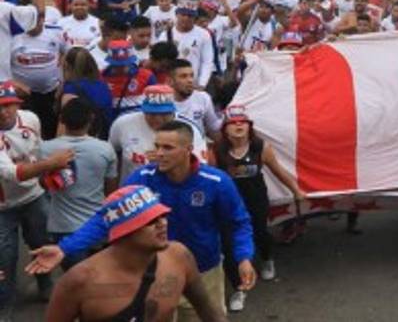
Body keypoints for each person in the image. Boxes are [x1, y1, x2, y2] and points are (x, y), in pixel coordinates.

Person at [29, 120, 256, 321]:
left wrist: (244, 257)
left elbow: (238, 222)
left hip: (204, 270)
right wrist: (64, 248)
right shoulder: (142, 179)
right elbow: (107, 219)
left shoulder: (216, 182)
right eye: (157, 146)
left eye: (167, 147)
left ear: (188, 150)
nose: (159, 153)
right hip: (157, 273)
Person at [42, 185, 228, 321]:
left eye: (162, 216)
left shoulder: (179, 256)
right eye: (150, 221)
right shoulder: (81, 280)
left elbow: (209, 313)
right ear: (124, 232)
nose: (162, 223)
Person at [215, 105, 305, 312]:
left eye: (243, 122)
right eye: (233, 123)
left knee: (260, 233)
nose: (238, 125)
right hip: (229, 203)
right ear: (225, 129)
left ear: (249, 126)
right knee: (228, 245)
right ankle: (238, 288)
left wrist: (295, 190)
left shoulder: (261, 148)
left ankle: (266, 259)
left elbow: (278, 171)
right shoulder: (217, 151)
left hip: (256, 199)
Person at [0, 81, 75, 316]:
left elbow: (38, 150)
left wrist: (48, 174)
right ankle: (5, 303)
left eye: (8, 106)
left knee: (42, 243)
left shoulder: (31, 119)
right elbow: (14, 174)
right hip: (3, 206)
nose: (3, 112)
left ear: (16, 105)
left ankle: (45, 285)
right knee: (5, 256)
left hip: (34, 196)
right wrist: (51, 164)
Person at [39, 97, 119, 269]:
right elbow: (111, 190)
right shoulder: (105, 149)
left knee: (74, 280)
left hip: (63, 227)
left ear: (61, 120)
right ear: (91, 119)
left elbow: (43, 185)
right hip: (98, 224)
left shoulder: (45, 149)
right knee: (100, 277)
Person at [109, 87, 208, 179]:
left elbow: (201, 167)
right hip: (133, 188)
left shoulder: (190, 128)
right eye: (152, 114)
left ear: (173, 111)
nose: (157, 119)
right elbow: (111, 157)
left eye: (163, 114)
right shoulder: (123, 123)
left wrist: (169, 160)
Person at [10, 10, 65, 138]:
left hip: (51, 92)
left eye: (36, 21)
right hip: (23, 96)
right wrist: (14, 84)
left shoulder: (56, 32)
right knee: (28, 129)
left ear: (42, 19)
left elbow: (70, 53)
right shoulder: (12, 37)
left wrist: (62, 80)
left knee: (50, 127)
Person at [60, 47, 115, 138]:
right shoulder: (103, 85)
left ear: (67, 66)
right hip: (104, 136)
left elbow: (63, 125)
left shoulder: (70, 89)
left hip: (81, 138)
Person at [163, 3, 216, 89]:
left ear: (195, 18)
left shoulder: (204, 34)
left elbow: (207, 61)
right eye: (183, 14)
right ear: (177, 15)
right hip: (171, 85)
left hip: (193, 85)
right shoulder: (166, 34)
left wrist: (202, 84)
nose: (186, 18)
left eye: (190, 15)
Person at [169, 59, 222, 141]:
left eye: (191, 76)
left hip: (197, 149)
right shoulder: (163, 101)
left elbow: (213, 128)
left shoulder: (203, 98)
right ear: (171, 81)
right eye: (183, 76)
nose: (190, 80)